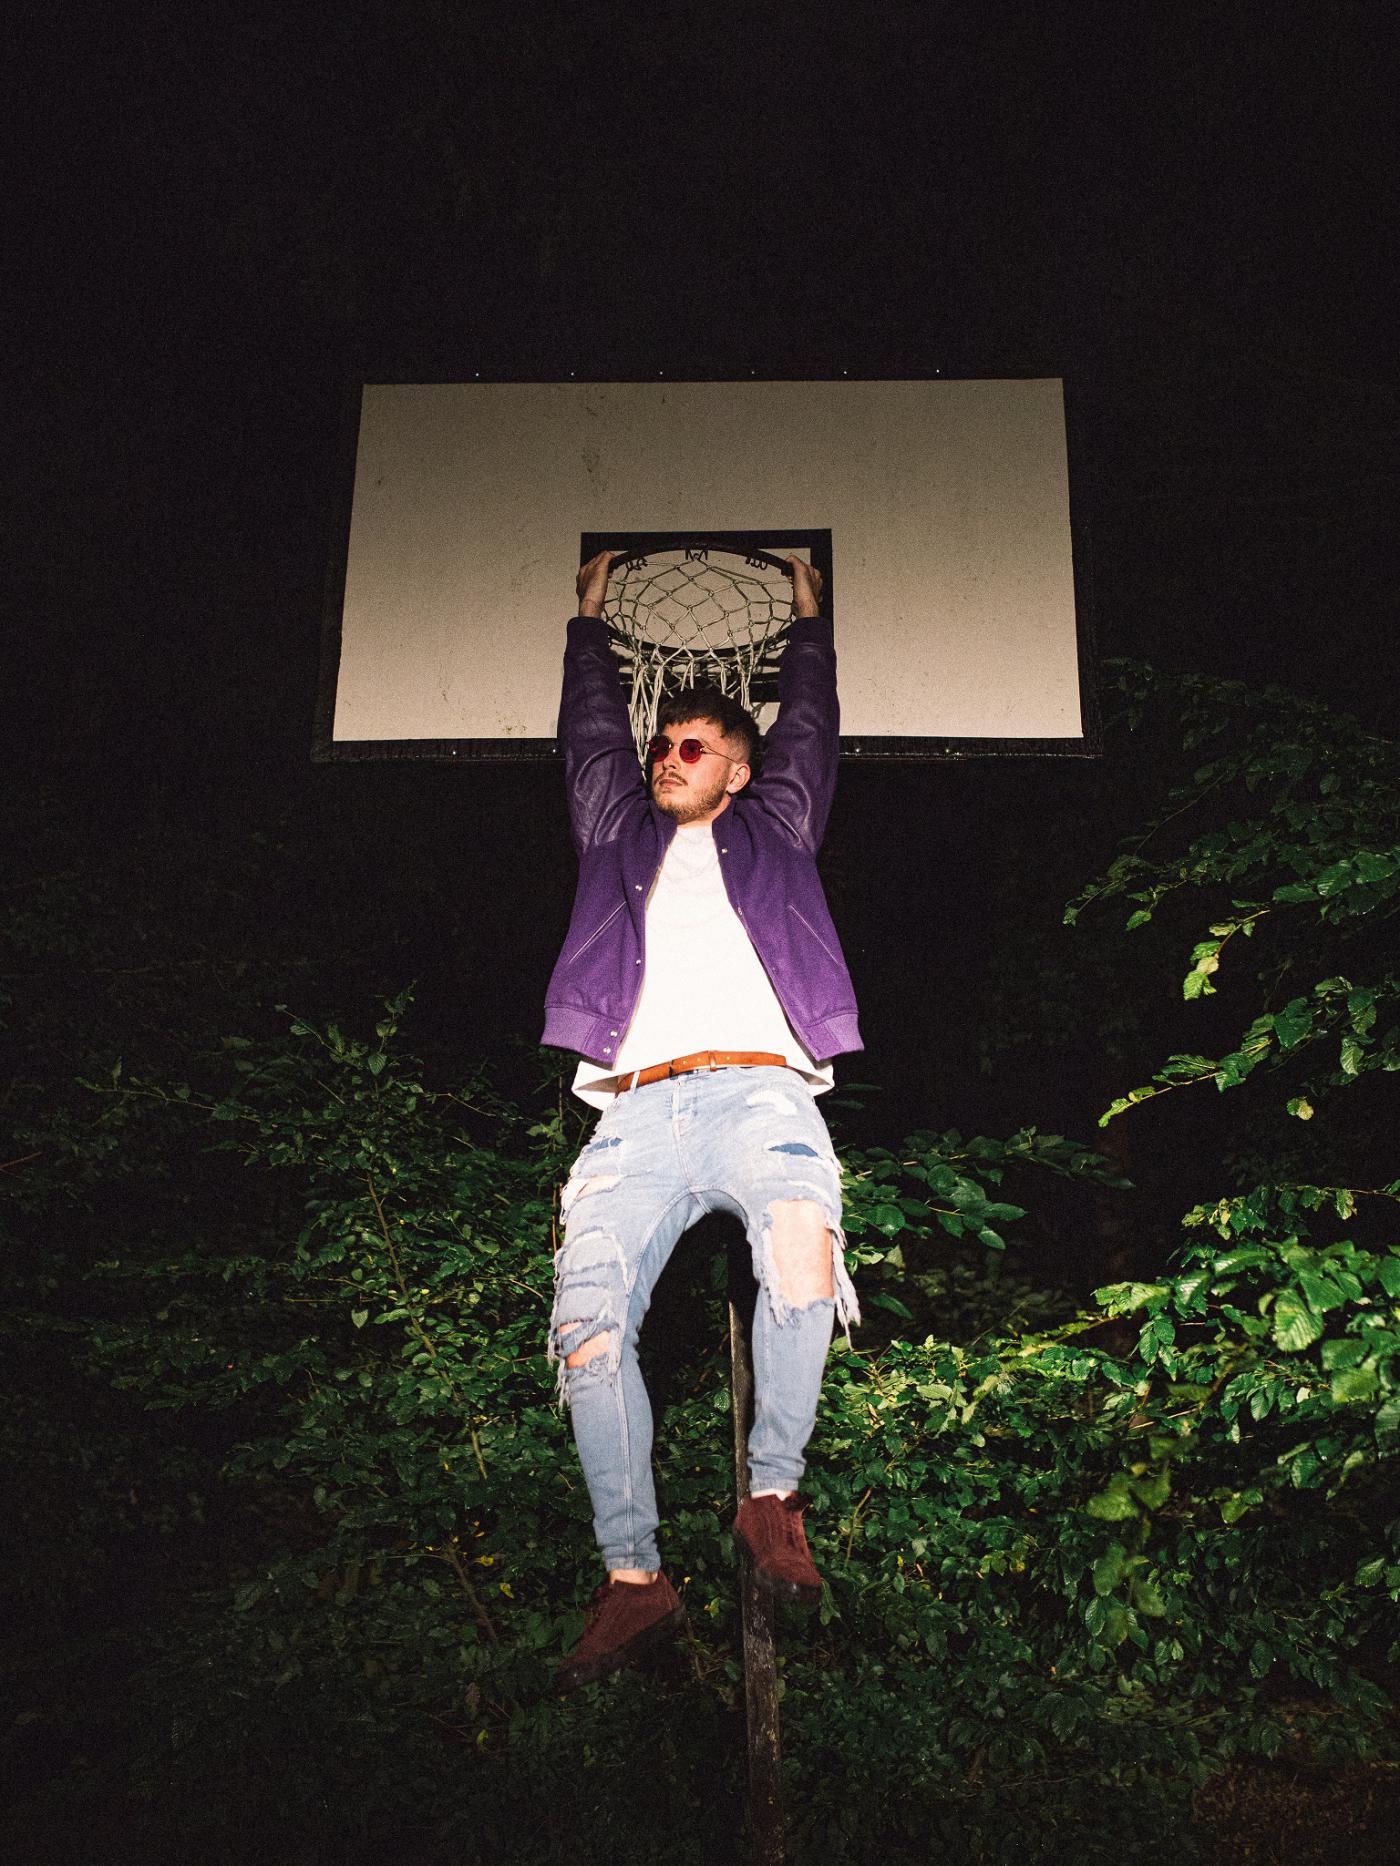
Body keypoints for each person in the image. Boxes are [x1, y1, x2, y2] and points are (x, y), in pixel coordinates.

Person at [543, 547, 863, 1689]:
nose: (664, 759)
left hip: (759, 1093)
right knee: (584, 1330)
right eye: (661, 746)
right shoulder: (614, 834)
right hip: (632, 1116)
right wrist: (589, 626)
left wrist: (808, 616)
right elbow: (590, 733)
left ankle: (771, 1499)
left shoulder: (779, 826)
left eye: (691, 748)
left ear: (736, 770)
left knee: (802, 1252)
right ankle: (633, 1578)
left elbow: (810, 726)